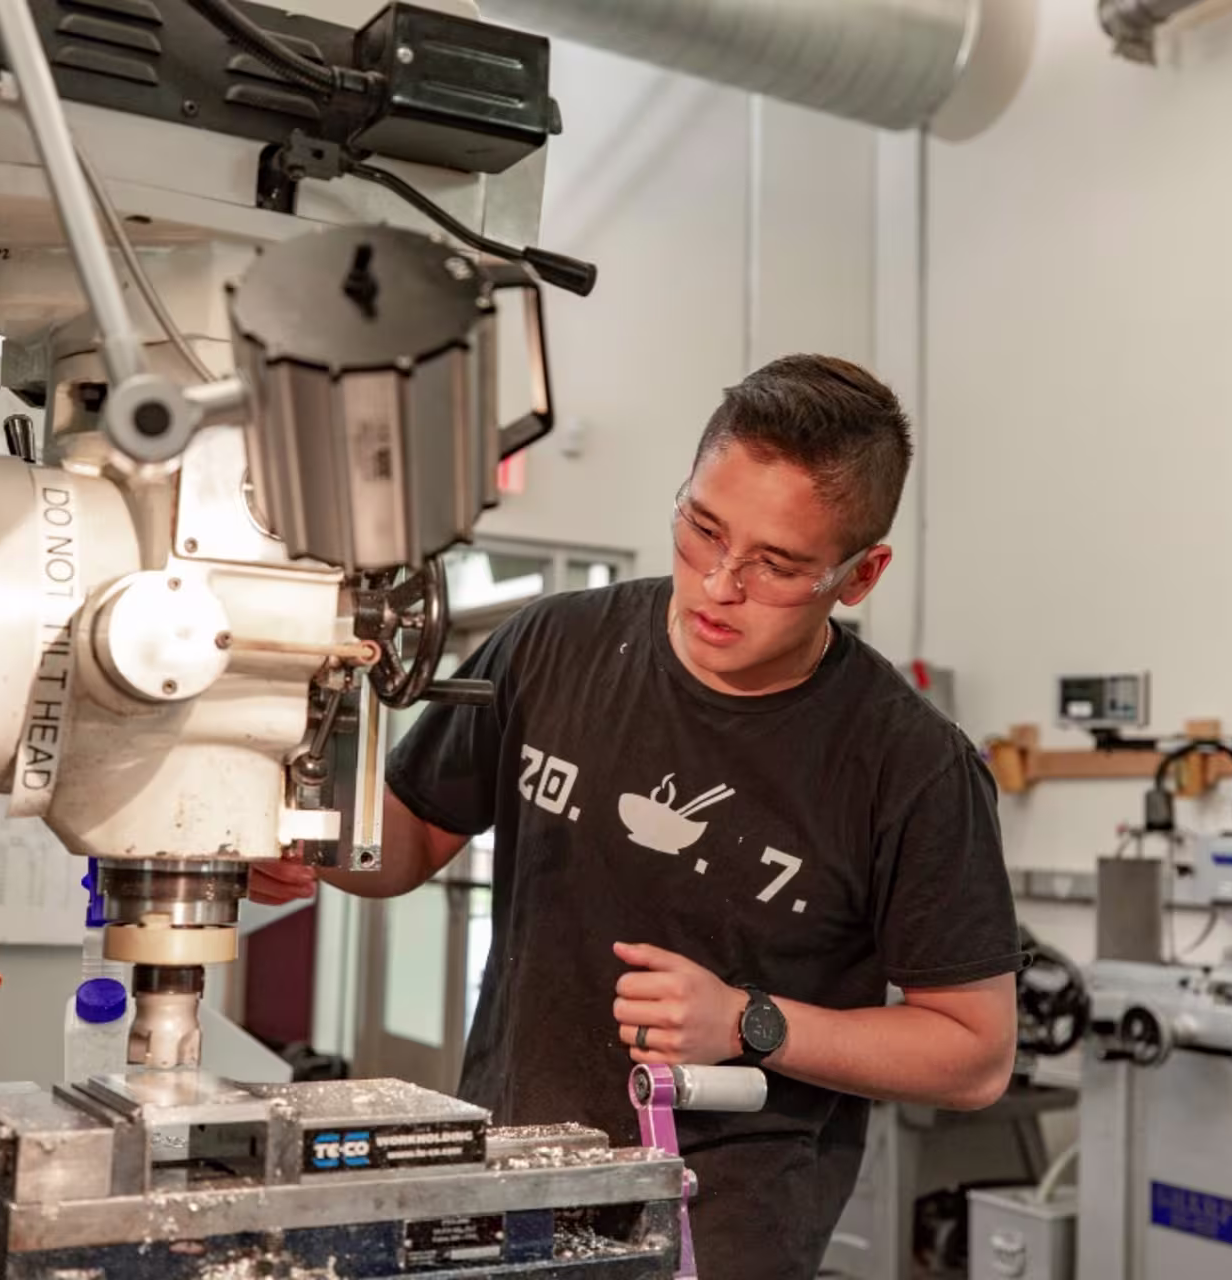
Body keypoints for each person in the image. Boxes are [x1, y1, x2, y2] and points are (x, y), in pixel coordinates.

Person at [252, 353, 1027, 1280]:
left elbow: (974, 1055)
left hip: (717, 1233)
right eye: (702, 529)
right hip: (509, 1181)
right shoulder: (552, 645)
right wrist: (307, 838)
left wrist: (749, 1022)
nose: (720, 584)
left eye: (777, 565)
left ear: (860, 576)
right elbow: (411, 837)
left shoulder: (911, 766)